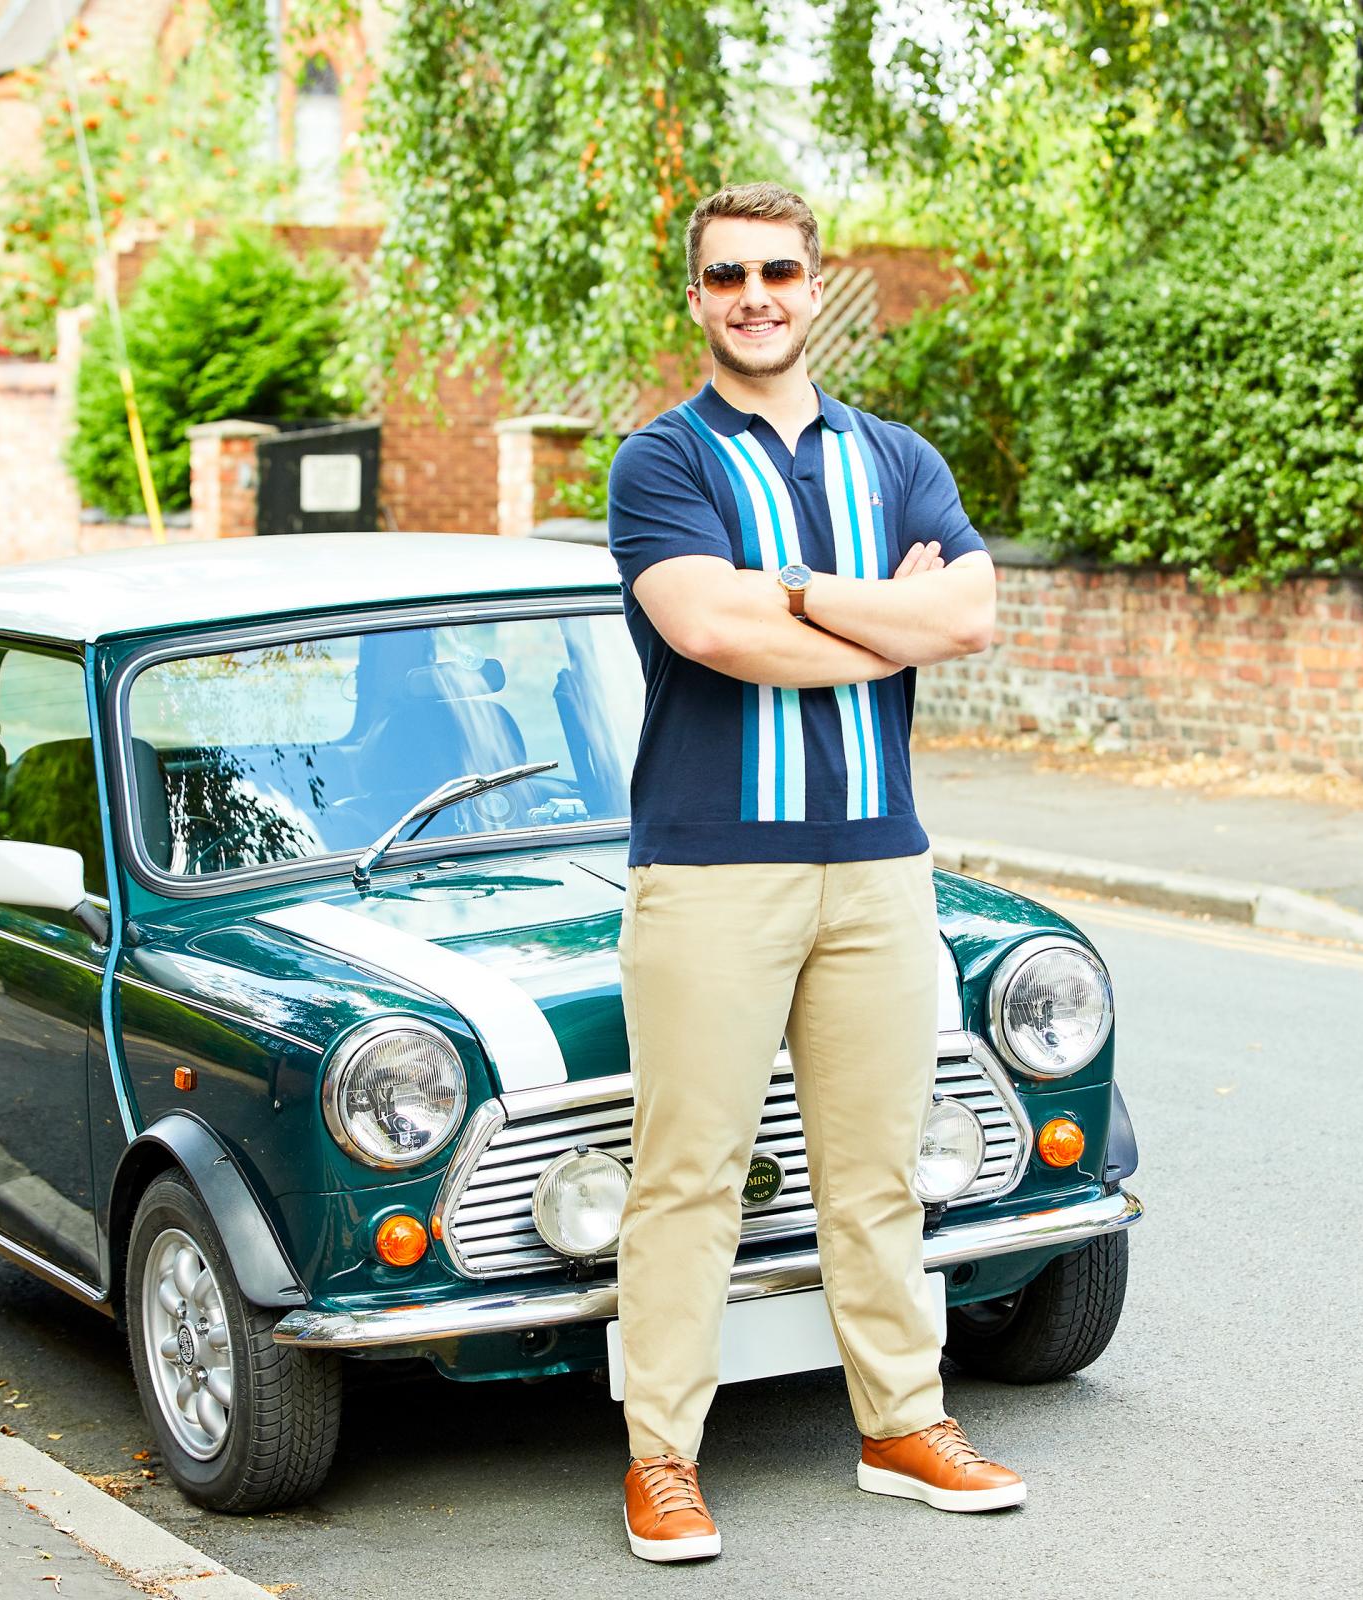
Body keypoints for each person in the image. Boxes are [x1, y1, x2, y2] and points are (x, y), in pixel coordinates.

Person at [604, 181, 1018, 1565]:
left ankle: (903, 1423)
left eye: (778, 270)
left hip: (881, 869)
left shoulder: (896, 457)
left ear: (816, 283)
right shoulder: (657, 463)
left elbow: (972, 611)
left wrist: (785, 590)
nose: (755, 296)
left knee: (877, 1170)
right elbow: (716, 638)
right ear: (697, 297)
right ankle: (661, 1456)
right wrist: (877, 620)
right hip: (712, 870)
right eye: (727, 276)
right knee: (690, 1176)